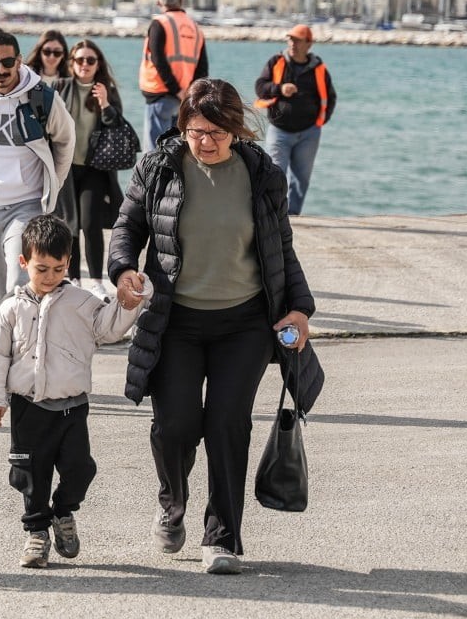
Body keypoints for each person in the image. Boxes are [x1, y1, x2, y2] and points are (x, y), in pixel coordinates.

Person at [109, 78, 318, 575]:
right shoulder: (159, 166)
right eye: (196, 131)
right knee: (175, 425)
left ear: (237, 130)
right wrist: (122, 271)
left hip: (244, 323)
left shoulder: (260, 171)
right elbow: (126, 228)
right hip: (174, 320)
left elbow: (280, 247)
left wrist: (299, 309)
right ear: (182, 126)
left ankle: (222, 535)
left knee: (228, 425)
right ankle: (172, 503)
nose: (206, 142)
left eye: (218, 133)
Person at [0, 216, 141, 568]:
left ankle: (63, 511)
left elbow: (109, 327)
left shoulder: (82, 302)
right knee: (30, 475)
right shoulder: (11, 309)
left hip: (72, 407)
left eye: (58, 268)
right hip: (27, 407)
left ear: (69, 263)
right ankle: (36, 533)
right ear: (23, 263)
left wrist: (127, 303)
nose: (50, 277)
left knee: (80, 469)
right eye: (42, 268)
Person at [0, 29, 75, 333]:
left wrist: (51, 187)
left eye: (8, 62)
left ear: (19, 60)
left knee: (20, 286)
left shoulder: (42, 97)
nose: (1, 70)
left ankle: (22, 362)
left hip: (26, 205)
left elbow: (66, 141)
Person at [55, 39, 127, 282]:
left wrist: (105, 103)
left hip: (95, 168)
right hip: (65, 168)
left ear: (98, 64)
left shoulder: (106, 89)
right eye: (80, 60)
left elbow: (116, 125)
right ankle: (73, 278)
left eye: (90, 60)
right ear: (71, 63)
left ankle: (96, 281)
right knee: (70, 224)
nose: (84, 64)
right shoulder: (60, 87)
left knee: (90, 222)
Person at [255, 24, 337, 215]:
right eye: (290, 39)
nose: (292, 43)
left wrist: (320, 122)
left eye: (298, 40)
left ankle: (293, 215)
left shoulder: (319, 68)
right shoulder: (276, 62)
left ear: (309, 44)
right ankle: (273, 214)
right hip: (279, 130)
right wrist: (280, 89)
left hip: (309, 133)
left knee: (301, 179)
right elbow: (260, 87)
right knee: (275, 174)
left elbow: (330, 97)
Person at [138, 0, 208, 147]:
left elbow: (158, 61)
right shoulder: (195, 28)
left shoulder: (159, 24)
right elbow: (202, 69)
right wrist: (190, 95)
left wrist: (176, 90)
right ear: (181, 0)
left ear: (158, 2)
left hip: (160, 95)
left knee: (155, 153)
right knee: (177, 151)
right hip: (185, 99)